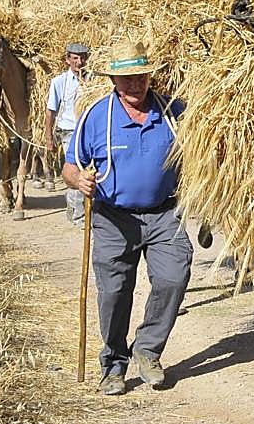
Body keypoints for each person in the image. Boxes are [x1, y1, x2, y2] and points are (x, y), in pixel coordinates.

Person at [62, 39, 192, 397]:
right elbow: (69, 167)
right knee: (115, 293)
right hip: (112, 218)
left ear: (149, 76)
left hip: (165, 214)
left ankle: (148, 351)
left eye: (140, 77)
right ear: (113, 81)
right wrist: (79, 180)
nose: (134, 85)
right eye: (126, 79)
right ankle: (114, 364)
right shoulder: (95, 117)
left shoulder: (172, 112)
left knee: (173, 277)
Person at [45, 41, 91, 227]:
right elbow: (51, 111)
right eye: (74, 58)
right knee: (75, 169)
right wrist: (49, 137)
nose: (78, 62)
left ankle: (87, 210)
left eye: (82, 58)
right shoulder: (59, 82)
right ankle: (78, 214)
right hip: (70, 132)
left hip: (89, 130)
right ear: (67, 60)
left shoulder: (94, 80)